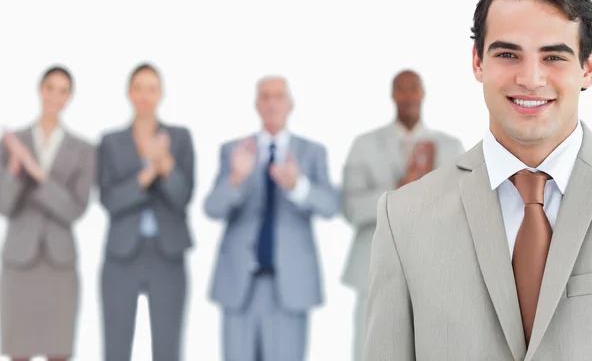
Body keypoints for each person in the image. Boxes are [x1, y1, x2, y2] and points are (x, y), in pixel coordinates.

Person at [363, 0, 592, 361]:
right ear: (477, 62)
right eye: (508, 54)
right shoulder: (403, 219)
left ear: (589, 67)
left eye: (553, 56)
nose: (530, 78)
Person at [204, 76, 339, 361]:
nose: (271, 102)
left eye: (278, 96)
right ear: (256, 104)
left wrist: (298, 186)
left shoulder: (311, 152)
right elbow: (212, 208)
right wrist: (236, 178)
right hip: (239, 285)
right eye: (264, 96)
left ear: (290, 104)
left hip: (290, 286)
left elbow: (330, 205)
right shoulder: (234, 151)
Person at [341, 70, 464, 361]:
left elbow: (463, 208)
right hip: (372, 267)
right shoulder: (364, 145)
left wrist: (428, 190)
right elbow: (350, 208)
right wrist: (399, 188)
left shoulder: (450, 147)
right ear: (393, 95)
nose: (409, 96)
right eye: (402, 89)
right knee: (369, 349)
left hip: (435, 268)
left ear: (423, 93)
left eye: (414, 89)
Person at [97, 63, 195, 361]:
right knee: (116, 347)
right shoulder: (111, 141)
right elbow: (110, 200)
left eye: (151, 88)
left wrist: (166, 166)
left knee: (168, 348)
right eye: (138, 87)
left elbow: (183, 197)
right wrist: (149, 172)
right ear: (129, 92)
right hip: (122, 254)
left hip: (168, 254)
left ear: (161, 93)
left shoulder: (179, 138)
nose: (144, 95)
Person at [0, 66, 96, 361]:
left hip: (60, 261)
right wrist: (16, 171)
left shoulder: (83, 148)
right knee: (19, 349)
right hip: (19, 258)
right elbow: (4, 206)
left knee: (58, 349)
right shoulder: (12, 142)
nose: (55, 96)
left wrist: (35, 171)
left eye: (63, 90)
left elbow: (74, 209)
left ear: (70, 97)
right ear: (40, 90)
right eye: (50, 87)